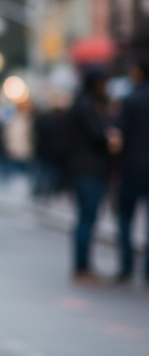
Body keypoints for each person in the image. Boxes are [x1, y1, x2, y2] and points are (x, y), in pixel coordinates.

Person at [66, 67, 111, 283]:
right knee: (86, 219)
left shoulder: (82, 104)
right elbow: (97, 136)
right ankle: (82, 267)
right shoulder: (87, 105)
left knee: (85, 219)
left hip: (84, 169)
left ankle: (82, 266)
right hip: (88, 170)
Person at [116, 54, 149, 281]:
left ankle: (127, 267)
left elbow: (118, 137)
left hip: (132, 169)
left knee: (125, 219)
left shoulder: (130, 101)